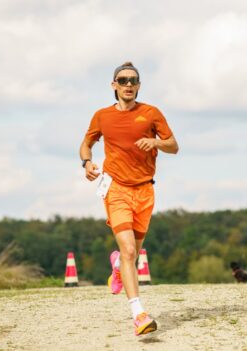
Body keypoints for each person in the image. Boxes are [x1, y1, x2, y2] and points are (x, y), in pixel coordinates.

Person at [79, 61, 179, 336]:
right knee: (131, 253)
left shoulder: (151, 113)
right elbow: (87, 143)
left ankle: (118, 266)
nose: (128, 85)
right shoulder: (102, 116)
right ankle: (139, 314)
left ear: (139, 85)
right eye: (122, 80)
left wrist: (156, 142)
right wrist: (87, 163)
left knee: (129, 253)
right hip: (116, 188)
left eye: (133, 80)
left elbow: (174, 146)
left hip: (145, 190)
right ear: (114, 85)